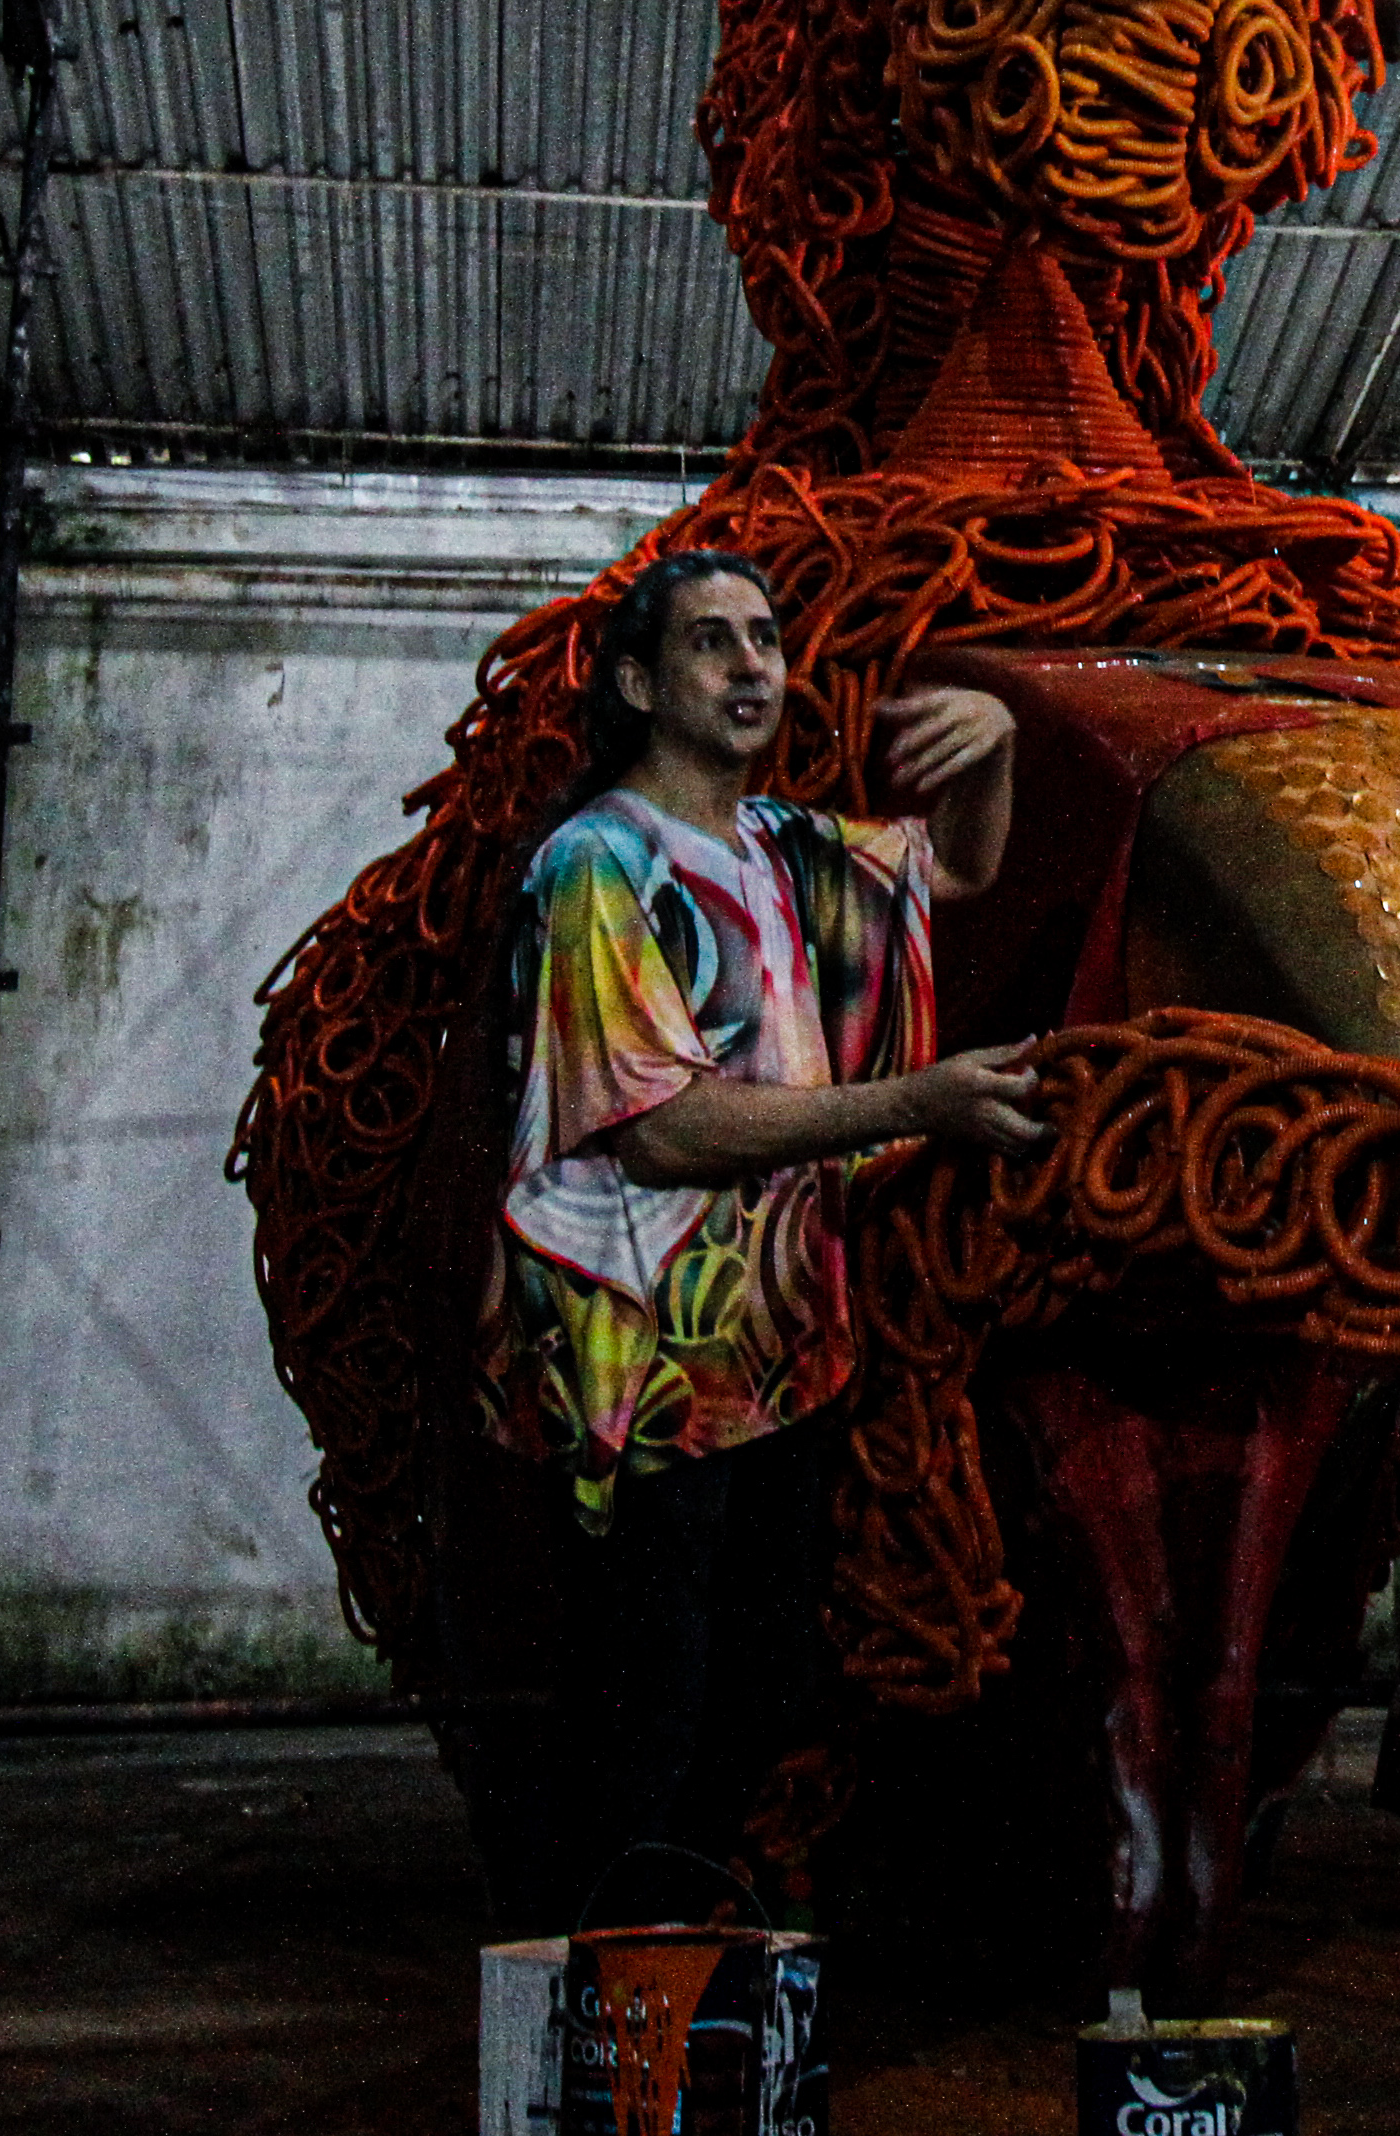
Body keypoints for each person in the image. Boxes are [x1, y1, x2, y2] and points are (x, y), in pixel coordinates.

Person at [478, 550, 1054, 1922]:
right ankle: (613, 2006)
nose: (752, 668)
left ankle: (686, 1973)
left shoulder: (787, 850)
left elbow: (960, 862)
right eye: (711, 644)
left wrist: (996, 746)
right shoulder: (596, 868)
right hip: (638, 1381)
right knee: (643, 1718)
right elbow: (660, 1130)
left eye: (766, 638)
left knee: (758, 1685)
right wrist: (920, 1102)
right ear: (636, 682)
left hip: (779, 1360)